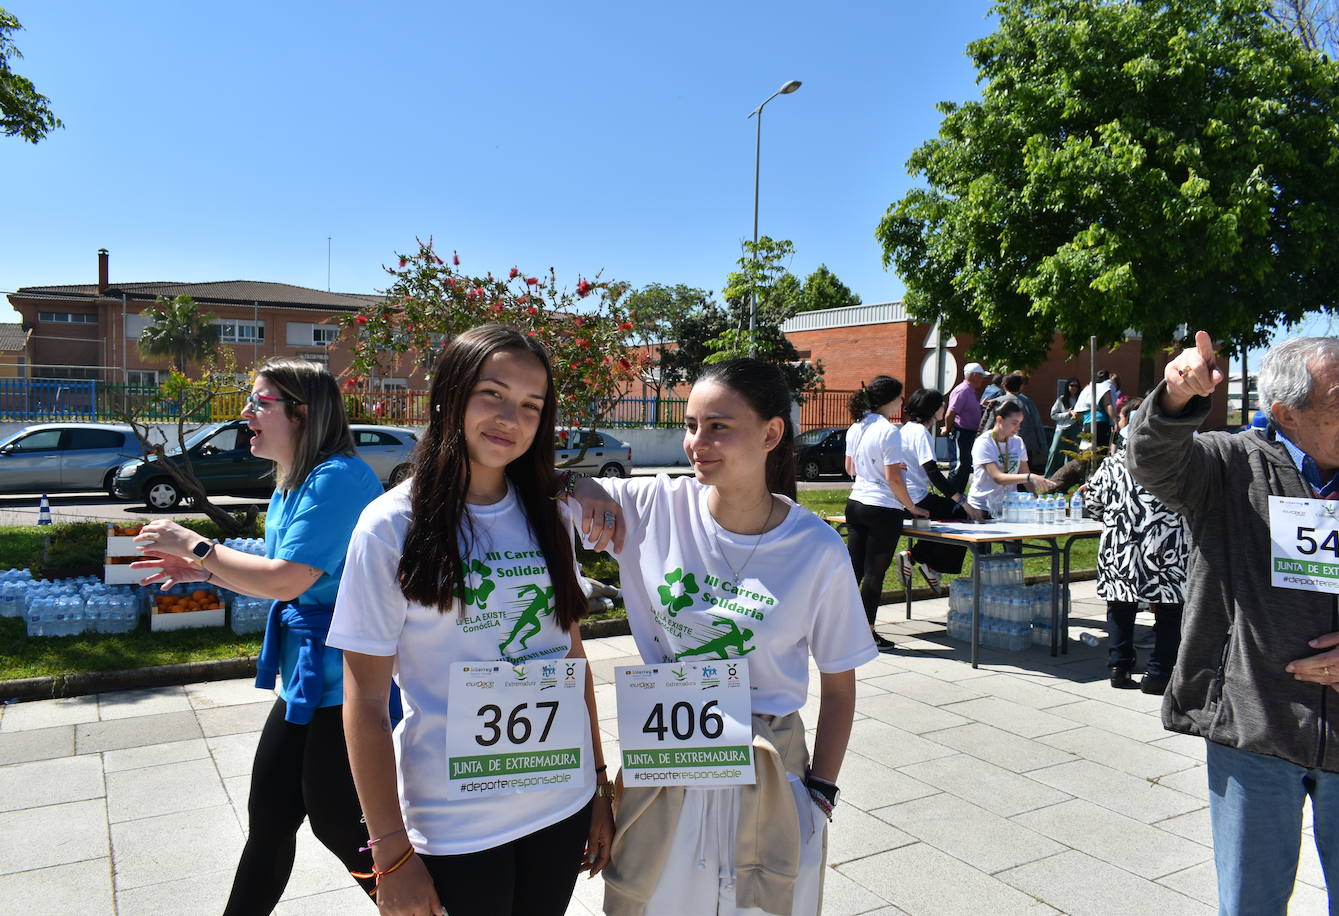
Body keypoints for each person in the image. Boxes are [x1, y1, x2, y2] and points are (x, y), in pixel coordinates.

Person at [325, 325, 616, 916]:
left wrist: (598, 784)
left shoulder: (551, 516)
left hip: (560, 805)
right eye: (493, 394)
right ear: (450, 394)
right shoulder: (390, 526)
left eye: (531, 405)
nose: (511, 418)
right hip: (455, 825)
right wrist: (391, 853)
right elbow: (365, 703)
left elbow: (571, 657)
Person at [574, 358, 876, 916]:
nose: (696, 443)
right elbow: (531, 483)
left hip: (768, 770)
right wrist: (578, 482)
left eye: (718, 427)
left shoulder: (816, 549)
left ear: (771, 434)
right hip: (666, 764)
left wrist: (820, 794)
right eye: (691, 425)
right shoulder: (653, 507)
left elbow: (840, 686)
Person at [1128, 331, 1339, 916]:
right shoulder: (1228, 464)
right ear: (1287, 413)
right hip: (1254, 725)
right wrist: (1175, 398)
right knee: (1250, 904)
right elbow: (1152, 459)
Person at [130, 358, 384, 915]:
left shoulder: (338, 478)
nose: (245, 414)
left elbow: (286, 580)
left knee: (340, 825)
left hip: (349, 684)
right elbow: (280, 578)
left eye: (259, 402)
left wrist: (196, 545)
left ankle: (422, 904)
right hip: (309, 681)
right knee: (270, 820)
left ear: (302, 413)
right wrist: (204, 571)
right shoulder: (295, 482)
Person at [1078, 446, 1188, 693]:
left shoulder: (1113, 462)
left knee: (1120, 606)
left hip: (1121, 544)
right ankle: (1159, 673)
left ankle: (1118, 667)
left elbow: (1093, 504)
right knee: (1170, 610)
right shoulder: (1179, 458)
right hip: (1166, 543)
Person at [843, 376, 927, 648]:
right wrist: (912, 507)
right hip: (882, 508)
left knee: (853, 570)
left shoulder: (856, 426)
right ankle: (866, 631)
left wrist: (880, 467)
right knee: (874, 573)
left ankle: (837, 625)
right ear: (890, 400)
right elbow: (893, 480)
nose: (903, 401)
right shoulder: (890, 431)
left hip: (856, 502)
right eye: (900, 396)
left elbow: (850, 468)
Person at [896, 388, 978, 586]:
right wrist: (962, 501)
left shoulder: (905, 429)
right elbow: (933, 473)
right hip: (916, 498)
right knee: (960, 515)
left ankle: (916, 557)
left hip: (905, 497)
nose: (945, 409)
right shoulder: (921, 433)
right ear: (932, 409)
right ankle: (926, 562)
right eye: (942, 405)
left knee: (945, 514)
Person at [967, 399, 1051, 528]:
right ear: (999, 420)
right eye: (1014, 423)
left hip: (1009, 507)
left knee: (1015, 541)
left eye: (1020, 423)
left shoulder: (1017, 442)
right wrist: (1030, 477)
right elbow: (998, 477)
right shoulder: (984, 442)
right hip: (982, 507)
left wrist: (1036, 500)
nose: (1018, 427)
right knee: (985, 541)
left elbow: (1025, 474)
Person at [942, 362, 989, 493]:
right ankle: (951, 498)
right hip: (961, 433)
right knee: (959, 466)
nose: (982, 379)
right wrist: (947, 429)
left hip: (968, 434)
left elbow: (964, 410)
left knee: (965, 466)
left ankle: (959, 497)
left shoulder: (970, 391)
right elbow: (950, 413)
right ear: (974, 375)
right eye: (981, 376)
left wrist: (980, 406)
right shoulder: (962, 390)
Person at [1001, 374, 1048, 471]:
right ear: (1021, 386)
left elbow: (988, 424)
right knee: (1024, 474)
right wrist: (1042, 445)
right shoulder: (1027, 402)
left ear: (1004, 386)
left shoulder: (998, 402)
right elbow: (1037, 423)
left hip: (1002, 444)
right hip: (1025, 445)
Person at [1045, 377, 1083, 476]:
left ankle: (1069, 477)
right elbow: (1053, 415)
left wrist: (1079, 416)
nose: (1074, 388)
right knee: (1054, 451)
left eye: (1076, 386)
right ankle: (1049, 476)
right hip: (1062, 428)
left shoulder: (1081, 400)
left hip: (1076, 428)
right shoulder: (1061, 399)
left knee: (1072, 454)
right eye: (1072, 385)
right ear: (1067, 387)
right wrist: (1067, 414)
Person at [1073, 369, 1118, 449]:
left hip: (1087, 424)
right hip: (1101, 424)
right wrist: (1116, 420)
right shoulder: (1106, 386)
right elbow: (1107, 404)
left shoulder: (1088, 389)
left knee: (1087, 451)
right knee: (1100, 452)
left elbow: (1077, 413)